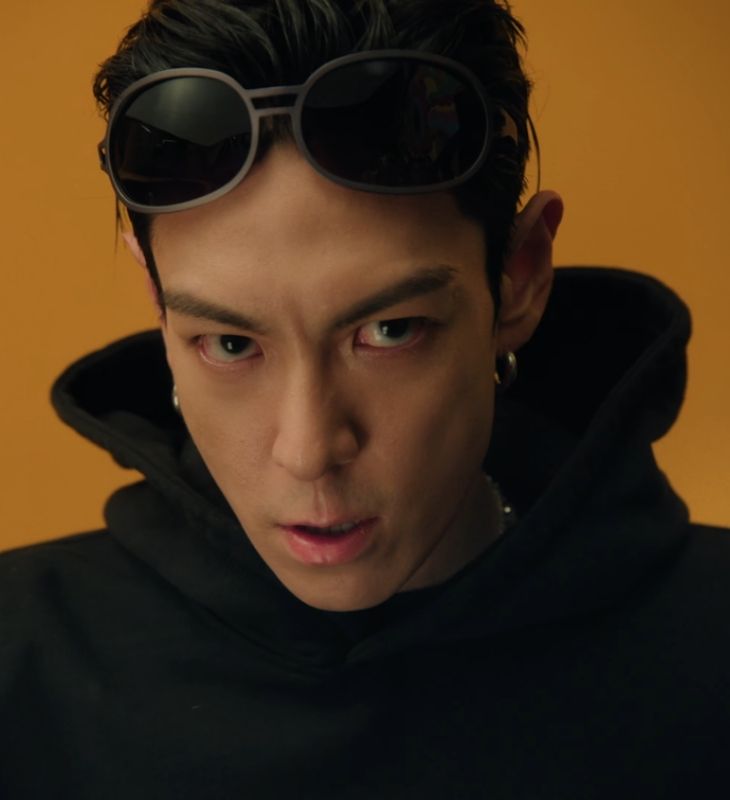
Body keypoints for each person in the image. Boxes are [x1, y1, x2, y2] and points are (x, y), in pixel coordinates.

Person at [1, 0, 728, 797]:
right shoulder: (20, 656)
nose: (309, 450)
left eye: (389, 331)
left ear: (520, 278)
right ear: (158, 305)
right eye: (231, 344)